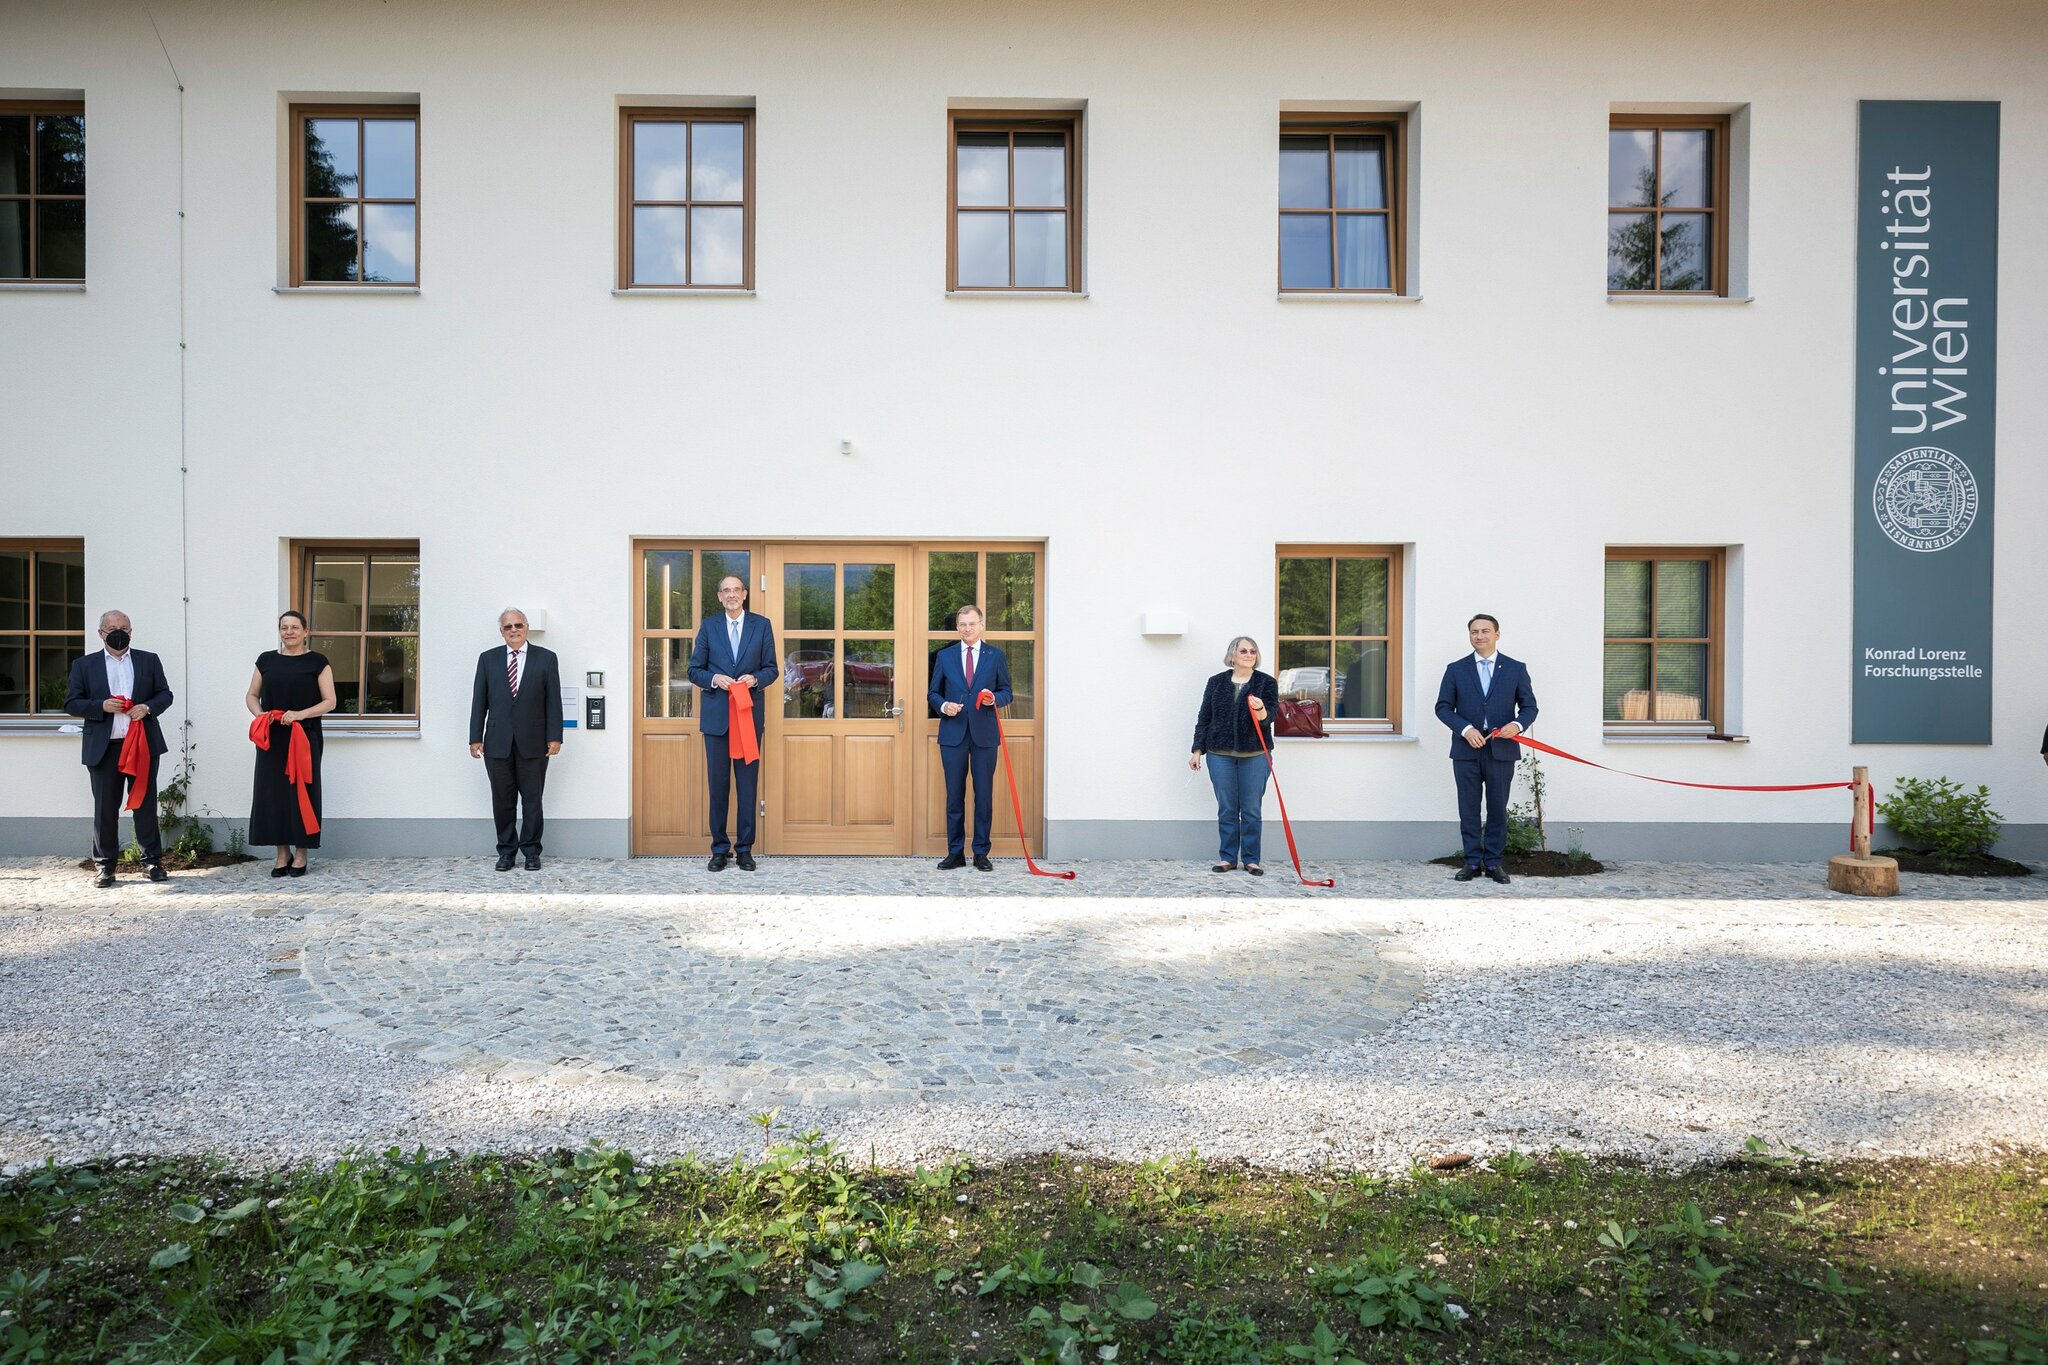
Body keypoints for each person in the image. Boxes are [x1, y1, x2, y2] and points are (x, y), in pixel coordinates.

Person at [63, 609, 174, 887]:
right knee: (105, 808)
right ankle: (105, 866)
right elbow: (71, 703)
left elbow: (165, 694)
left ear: (131, 631)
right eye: (113, 627)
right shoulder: (84, 665)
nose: (119, 632)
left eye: (124, 627)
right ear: (101, 633)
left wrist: (147, 707)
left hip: (142, 745)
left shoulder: (148, 660)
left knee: (145, 805)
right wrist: (100, 706)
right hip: (104, 748)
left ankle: (151, 862)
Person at [1434, 613, 1539, 884]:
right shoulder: (1456, 669)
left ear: (1497, 634)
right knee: (1468, 809)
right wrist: (1466, 730)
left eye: (1485, 631)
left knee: (1496, 809)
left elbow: (1529, 707)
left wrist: (1516, 725)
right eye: (1474, 632)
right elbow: (1443, 707)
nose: (1479, 636)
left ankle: (1493, 863)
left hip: (1501, 750)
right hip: (1466, 751)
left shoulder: (1515, 668)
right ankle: (1471, 861)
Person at [688, 574, 779, 871]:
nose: (731, 595)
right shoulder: (709, 627)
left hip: (748, 718)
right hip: (717, 721)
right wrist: (714, 678)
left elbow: (772, 669)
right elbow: (694, 670)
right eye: (725, 590)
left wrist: (756, 679)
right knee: (718, 787)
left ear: (745, 594)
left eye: (736, 590)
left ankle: (744, 850)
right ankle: (719, 849)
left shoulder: (762, 626)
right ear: (719, 596)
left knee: (747, 786)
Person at [468, 608, 563, 871]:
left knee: (533, 799)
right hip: (497, 742)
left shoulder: (546, 659)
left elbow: (553, 701)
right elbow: (479, 701)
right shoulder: (487, 660)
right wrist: (475, 737)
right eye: (508, 626)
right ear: (501, 631)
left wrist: (555, 736)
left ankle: (532, 852)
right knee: (502, 800)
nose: (514, 630)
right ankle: (506, 852)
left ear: (527, 627)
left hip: (534, 742)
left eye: (518, 625)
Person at [244, 610, 337, 876]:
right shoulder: (266, 660)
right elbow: (252, 694)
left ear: (306, 632)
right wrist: (261, 716)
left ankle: (302, 853)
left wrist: (300, 714)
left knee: (302, 791)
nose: (289, 632)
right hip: (271, 737)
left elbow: (330, 701)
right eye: (284, 627)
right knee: (272, 793)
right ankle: (281, 853)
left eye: (295, 627)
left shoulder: (318, 661)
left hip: (304, 735)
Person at [929, 603, 1012, 871]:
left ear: (981, 625)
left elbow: (1007, 692)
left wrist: (993, 699)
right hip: (953, 734)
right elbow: (933, 694)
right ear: (957, 627)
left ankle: (980, 853)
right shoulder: (944, 656)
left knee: (983, 796)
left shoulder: (995, 656)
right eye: (962, 624)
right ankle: (955, 853)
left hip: (984, 735)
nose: (967, 628)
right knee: (954, 795)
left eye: (972, 623)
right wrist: (944, 706)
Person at [1189, 636, 1280, 875]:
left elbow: (1270, 718)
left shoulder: (1266, 683)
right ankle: (1228, 857)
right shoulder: (1216, 682)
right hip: (1219, 753)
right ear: (1233, 655)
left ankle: (1251, 859)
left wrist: (1260, 710)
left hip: (1256, 754)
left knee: (1251, 808)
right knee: (1227, 808)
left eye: (1253, 651)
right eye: (1244, 651)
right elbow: (1204, 718)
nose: (1249, 655)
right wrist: (1197, 750)